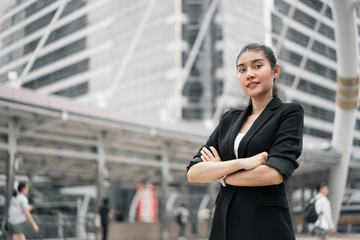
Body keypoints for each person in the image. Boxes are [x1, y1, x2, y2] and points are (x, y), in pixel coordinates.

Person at [187, 43, 304, 240]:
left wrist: (221, 175)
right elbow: (194, 172)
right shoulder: (228, 120)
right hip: (224, 223)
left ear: (275, 71)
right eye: (242, 70)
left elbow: (273, 174)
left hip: (265, 225)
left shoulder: (289, 114)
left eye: (257, 66)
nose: (249, 74)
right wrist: (241, 163)